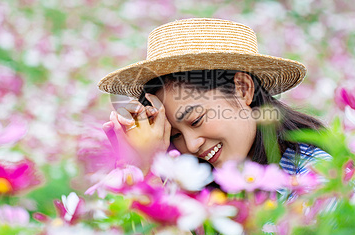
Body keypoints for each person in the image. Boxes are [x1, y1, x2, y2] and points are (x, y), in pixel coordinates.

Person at [98, 18, 329, 177]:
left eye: (196, 120)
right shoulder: (192, 183)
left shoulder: (315, 176)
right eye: (176, 135)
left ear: (243, 88)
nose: (192, 145)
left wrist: (149, 174)